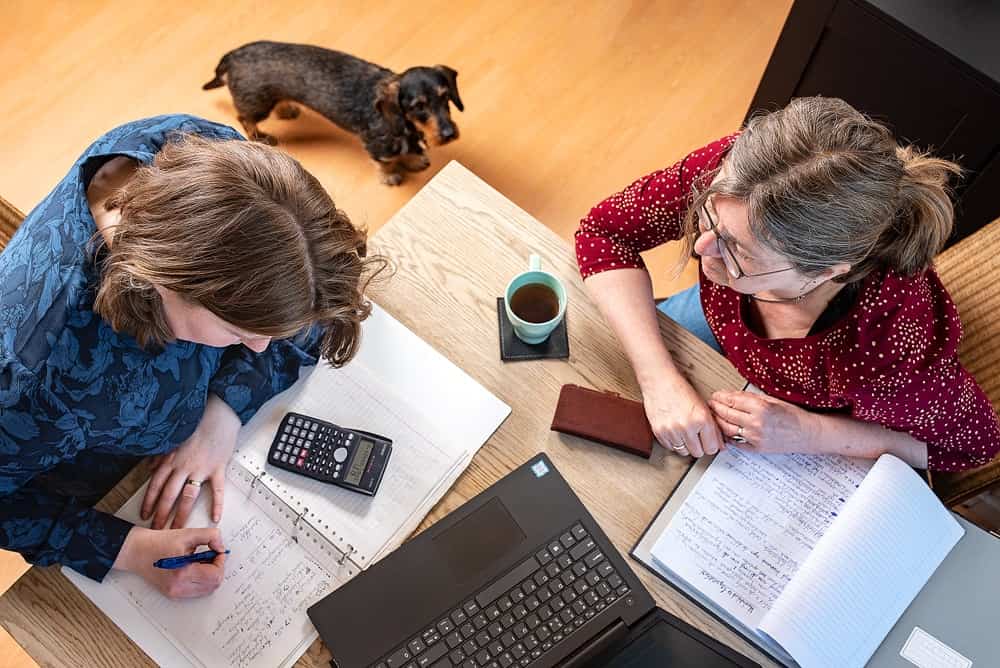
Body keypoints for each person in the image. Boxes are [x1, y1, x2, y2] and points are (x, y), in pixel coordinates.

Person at [0, 115, 385, 598]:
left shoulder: (199, 150)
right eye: (238, 332)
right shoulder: (33, 380)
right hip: (101, 480)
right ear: (168, 279)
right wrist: (131, 550)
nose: (261, 349)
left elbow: (303, 304)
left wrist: (222, 413)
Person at [576, 97, 1000, 472]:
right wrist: (658, 378)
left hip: (796, 404)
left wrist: (810, 431)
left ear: (825, 272)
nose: (703, 248)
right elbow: (603, 233)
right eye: (708, 218)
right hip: (722, 325)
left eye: (738, 250)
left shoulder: (889, 351)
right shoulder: (743, 178)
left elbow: (972, 447)